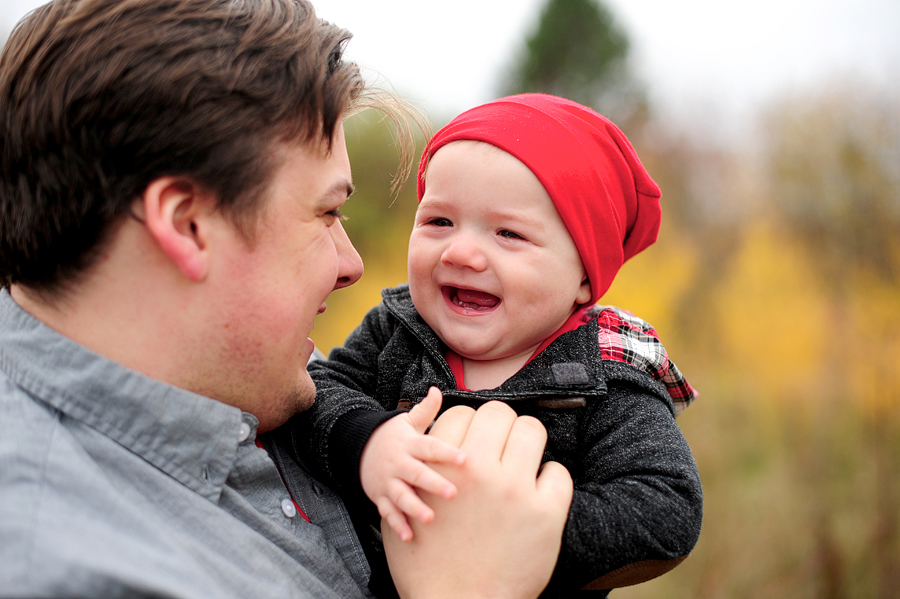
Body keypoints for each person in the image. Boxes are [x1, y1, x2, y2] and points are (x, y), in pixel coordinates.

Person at [0, 1, 574, 598]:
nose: (351, 264)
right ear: (188, 224)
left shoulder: (257, 384)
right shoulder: (61, 568)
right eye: (327, 211)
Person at [292, 93, 704, 596]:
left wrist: (530, 530)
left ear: (583, 279)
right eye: (439, 221)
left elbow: (667, 505)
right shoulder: (397, 330)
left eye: (508, 233)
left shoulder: (605, 373)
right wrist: (369, 441)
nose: (461, 251)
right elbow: (316, 391)